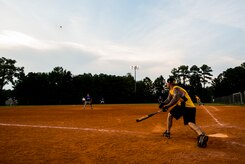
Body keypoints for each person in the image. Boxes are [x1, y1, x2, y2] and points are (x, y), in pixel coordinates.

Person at [159, 77, 208, 148]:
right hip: (185, 106)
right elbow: (169, 99)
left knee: (187, 121)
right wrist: (163, 104)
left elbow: (175, 98)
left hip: (186, 106)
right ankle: (201, 135)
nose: (166, 84)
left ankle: (201, 135)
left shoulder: (176, 88)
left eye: (167, 83)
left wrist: (167, 106)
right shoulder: (171, 90)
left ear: (169, 83)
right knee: (186, 121)